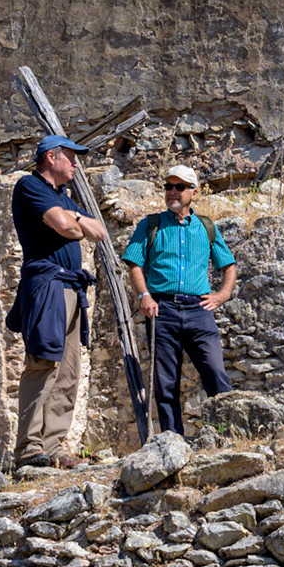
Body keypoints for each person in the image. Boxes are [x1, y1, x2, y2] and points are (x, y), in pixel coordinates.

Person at [4, 134, 106, 469]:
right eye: (71, 157)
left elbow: (98, 231)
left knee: (69, 371)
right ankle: (30, 449)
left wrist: (72, 221)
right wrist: (73, 222)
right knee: (43, 364)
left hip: (71, 288)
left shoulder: (63, 196)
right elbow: (67, 226)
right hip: (47, 285)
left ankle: (55, 447)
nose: (76, 164)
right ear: (51, 157)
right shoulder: (30, 187)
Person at [122, 164, 238, 436]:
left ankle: (227, 435)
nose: (172, 192)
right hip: (162, 310)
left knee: (215, 373)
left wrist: (222, 295)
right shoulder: (150, 225)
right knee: (165, 382)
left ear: (194, 192)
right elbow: (135, 265)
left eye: (179, 187)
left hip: (199, 310)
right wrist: (144, 295)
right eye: (168, 187)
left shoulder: (206, 227)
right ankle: (174, 442)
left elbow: (228, 265)